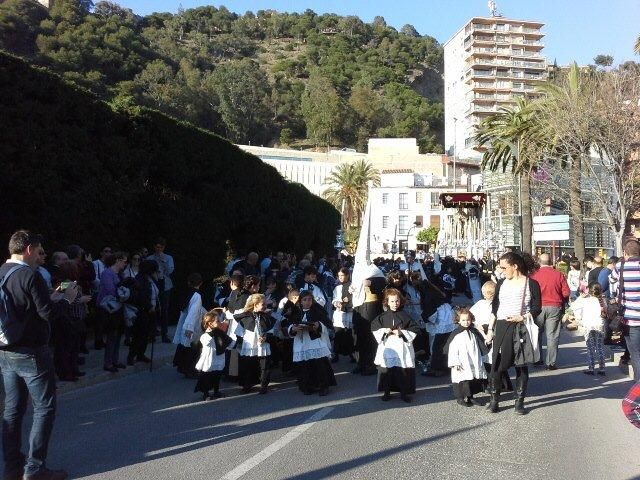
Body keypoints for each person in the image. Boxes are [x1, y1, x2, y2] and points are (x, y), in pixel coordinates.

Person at [0, 230, 77, 480]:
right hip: (32, 353)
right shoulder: (29, 275)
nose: (40, 256)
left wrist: (51, 296)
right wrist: (66, 299)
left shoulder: (2, 271)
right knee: (45, 409)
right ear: (29, 249)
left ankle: (12, 466)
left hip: (6, 350)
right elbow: (48, 314)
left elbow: (27, 307)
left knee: (13, 410)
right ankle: (35, 468)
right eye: (39, 250)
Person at [486, 252, 542, 415]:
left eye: (504, 267)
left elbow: (537, 308)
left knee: (521, 365)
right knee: (496, 365)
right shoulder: (501, 283)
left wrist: (523, 316)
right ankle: (494, 400)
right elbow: (495, 309)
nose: (502, 271)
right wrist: (490, 330)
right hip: (502, 325)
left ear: (515, 266)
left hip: (520, 327)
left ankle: (519, 402)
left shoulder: (531, 284)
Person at [371, 288, 420, 402]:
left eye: (397, 301)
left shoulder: (405, 315)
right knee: (387, 371)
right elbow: (374, 327)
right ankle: (386, 392)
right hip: (388, 347)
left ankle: (404, 393)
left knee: (402, 372)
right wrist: (384, 331)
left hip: (402, 348)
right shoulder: (382, 317)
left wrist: (401, 332)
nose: (395, 304)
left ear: (400, 301)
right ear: (387, 302)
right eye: (392, 301)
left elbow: (415, 329)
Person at [284, 290, 336, 396]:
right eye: (305, 300)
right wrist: (293, 328)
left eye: (310, 299)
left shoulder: (317, 310)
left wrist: (318, 325)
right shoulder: (296, 312)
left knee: (319, 364)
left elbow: (328, 324)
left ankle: (323, 386)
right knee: (305, 365)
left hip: (315, 340)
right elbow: (289, 325)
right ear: (300, 301)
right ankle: (308, 386)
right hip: (301, 341)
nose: (308, 302)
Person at [530, 253, 570, 369]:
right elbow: (566, 292)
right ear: (551, 261)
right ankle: (551, 362)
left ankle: (537, 359)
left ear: (539, 262)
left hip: (538, 308)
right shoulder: (559, 275)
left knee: (536, 333)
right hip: (555, 306)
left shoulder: (534, 275)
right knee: (552, 335)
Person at [445, 308, 488, 407]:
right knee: (462, 379)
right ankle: (460, 398)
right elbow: (452, 349)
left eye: (468, 319)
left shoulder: (473, 331)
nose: (466, 322)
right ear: (458, 320)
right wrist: (455, 362)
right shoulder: (456, 333)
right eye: (463, 320)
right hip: (461, 361)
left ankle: (471, 397)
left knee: (472, 378)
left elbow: (481, 343)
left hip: (473, 359)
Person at [610, 239, 640, 381]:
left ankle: (638, 388)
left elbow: (612, 280)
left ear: (625, 253)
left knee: (636, 354)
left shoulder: (620, 266)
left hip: (630, 318)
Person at [234, 293, 276, 394]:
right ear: (255, 305)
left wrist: (266, 337)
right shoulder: (245, 318)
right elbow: (239, 333)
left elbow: (272, 332)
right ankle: (247, 386)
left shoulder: (267, 318)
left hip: (263, 345)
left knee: (264, 366)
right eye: (263, 304)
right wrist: (241, 345)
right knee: (247, 366)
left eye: (265, 303)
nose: (265, 306)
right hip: (249, 345)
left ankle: (263, 386)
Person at [96, 251, 128, 373]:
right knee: (112, 335)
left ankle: (115, 360)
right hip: (109, 308)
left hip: (118, 307)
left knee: (118, 335)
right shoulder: (107, 273)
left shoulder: (120, 274)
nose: (125, 264)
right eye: (124, 261)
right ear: (118, 260)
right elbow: (111, 290)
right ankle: (108, 362)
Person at [351, 265, 386, 376]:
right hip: (358, 306)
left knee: (370, 336)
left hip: (371, 306)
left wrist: (371, 283)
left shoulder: (375, 271)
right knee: (358, 336)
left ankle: (371, 364)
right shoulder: (357, 270)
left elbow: (383, 285)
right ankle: (360, 362)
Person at [194, 309, 233, 401]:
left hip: (218, 356)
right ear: (209, 323)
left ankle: (216, 391)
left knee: (217, 374)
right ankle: (206, 393)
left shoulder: (219, 332)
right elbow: (206, 341)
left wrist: (235, 344)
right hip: (209, 358)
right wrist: (211, 332)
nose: (219, 322)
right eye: (217, 321)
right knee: (207, 376)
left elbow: (227, 340)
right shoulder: (205, 335)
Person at [126, 260, 159, 366]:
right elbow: (141, 296)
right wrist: (149, 306)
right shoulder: (140, 279)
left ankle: (141, 354)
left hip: (151, 310)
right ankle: (131, 356)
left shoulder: (150, 278)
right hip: (143, 310)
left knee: (145, 334)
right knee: (139, 335)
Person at [172, 273, 205, 378]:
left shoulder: (187, 293)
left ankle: (183, 367)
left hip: (184, 322)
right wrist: (190, 327)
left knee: (185, 346)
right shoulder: (197, 296)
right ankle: (190, 370)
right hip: (192, 325)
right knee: (192, 348)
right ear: (200, 283)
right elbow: (194, 312)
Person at [572, 283, 606, 376]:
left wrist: (581, 297)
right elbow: (605, 312)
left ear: (589, 291)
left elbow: (573, 306)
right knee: (599, 347)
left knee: (590, 348)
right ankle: (602, 368)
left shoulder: (585, 301)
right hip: (599, 325)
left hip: (588, 326)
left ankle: (591, 368)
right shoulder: (602, 301)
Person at [147, 238, 174, 343]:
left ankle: (164, 334)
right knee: (153, 309)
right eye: (157, 247)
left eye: (161, 247)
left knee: (164, 310)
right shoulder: (150, 258)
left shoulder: (168, 258)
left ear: (163, 247)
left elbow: (170, 271)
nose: (158, 249)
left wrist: (163, 261)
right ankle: (152, 333)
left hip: (165, 286)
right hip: (153, 285)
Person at [331, 267, 355, 363]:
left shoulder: (352, 286)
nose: (340, 277)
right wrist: (337, 303)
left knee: (349, 335)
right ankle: (336, 354)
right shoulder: (337, 287)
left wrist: (347, 301)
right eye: (339, 275)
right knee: (338, 334)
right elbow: (334, 298)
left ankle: (352, 355)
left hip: (349, 313)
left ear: (347, 275)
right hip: (339, 313)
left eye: (342, 275)